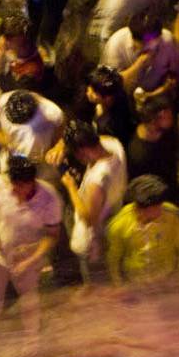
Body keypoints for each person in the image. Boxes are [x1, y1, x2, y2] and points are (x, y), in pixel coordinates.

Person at [0, 153, 62, 335]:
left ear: (33, 182)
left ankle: (32, 338)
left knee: (29, 299)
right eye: (13, 185)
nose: (15, 191)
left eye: (21, 186)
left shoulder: (49, 199)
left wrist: (30, 261)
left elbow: (53, 235)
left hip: (28, 259)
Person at [61, 117, 126, 279]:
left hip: (93, 240)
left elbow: (88, 218)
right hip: (114, 216)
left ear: (82, 152)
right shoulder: (114, 145)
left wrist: (71, 187)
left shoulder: (98, 178)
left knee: (98, 280)